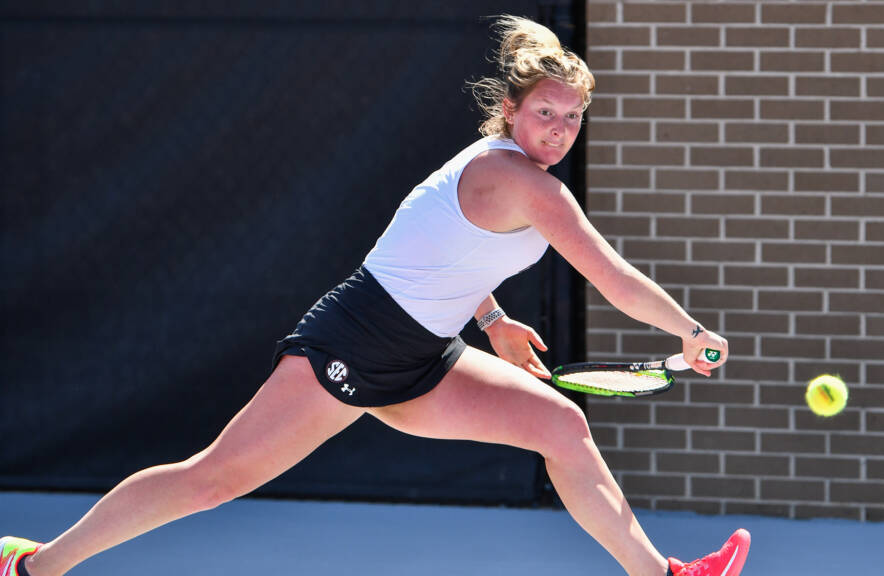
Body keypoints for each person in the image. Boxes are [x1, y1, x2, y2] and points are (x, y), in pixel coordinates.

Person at [1, 15, 749, 576]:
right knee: (212, 480)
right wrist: (689, 331)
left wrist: (490, 319)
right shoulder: (523, 180)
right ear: (514, 113)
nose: (558, 130)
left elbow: (443, 246)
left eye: (571, 117)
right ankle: (36, 565)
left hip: (427, 356)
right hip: (353, 342)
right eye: (544, 113)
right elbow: (613, 278)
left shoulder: (504, 170)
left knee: (560, 426)